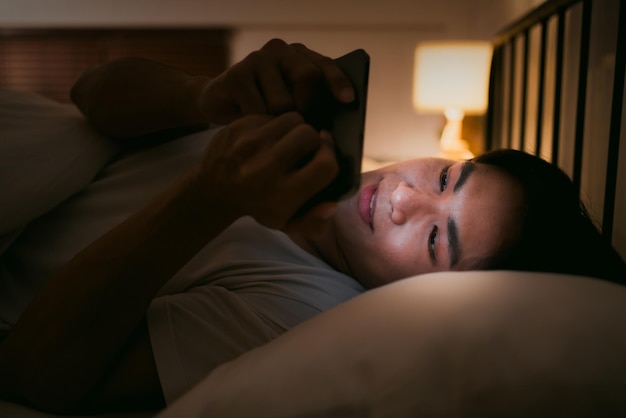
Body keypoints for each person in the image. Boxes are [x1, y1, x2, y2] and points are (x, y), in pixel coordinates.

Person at [0, 38, 623, 415]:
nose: (403, 196)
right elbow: (89, 93)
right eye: (444, 178)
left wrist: (210, 197)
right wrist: (204, 94)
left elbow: (35, 372)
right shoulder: (310, 125)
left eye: (436, 240)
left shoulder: (299, 312)